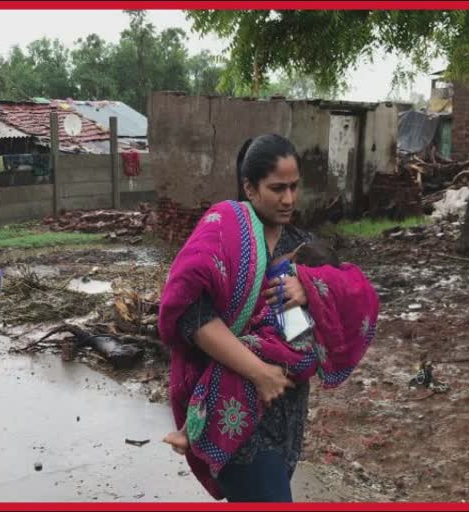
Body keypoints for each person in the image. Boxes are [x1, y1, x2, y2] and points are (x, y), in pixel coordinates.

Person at [158, 134, 379, 502]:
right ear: (249, 186)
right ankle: (193, 430)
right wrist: (259, 373)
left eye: (294, 187)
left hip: (286, 411)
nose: (289, 199)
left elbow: (356, 291)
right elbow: (189, 312)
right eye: (277, 188)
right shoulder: (224, 233)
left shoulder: (302, 242)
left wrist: (312, 285)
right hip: (235, 408)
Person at [162, 240, 346, 454]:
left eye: (291, 258)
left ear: (295, 265)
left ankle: (189, 433)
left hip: (279, 352)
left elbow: (273, 292)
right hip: (300, 360)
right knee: (241, 394)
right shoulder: (323, 294)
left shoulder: (285, 282)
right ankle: (194, 435)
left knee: (219, 374)